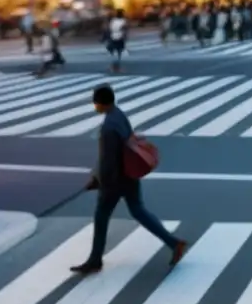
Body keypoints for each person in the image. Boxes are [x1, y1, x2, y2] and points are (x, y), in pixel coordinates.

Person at [71, 85, 187, 274]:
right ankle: (174, 243)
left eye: (95, 103)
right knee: (139, 211)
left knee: (101, 216)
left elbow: (107, 160)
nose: (94, 106)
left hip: (115, 180)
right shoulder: (119, 114)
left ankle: (95, 260)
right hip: (129, 174)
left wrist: (98, 180)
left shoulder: (108, 127)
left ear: (100, 103)